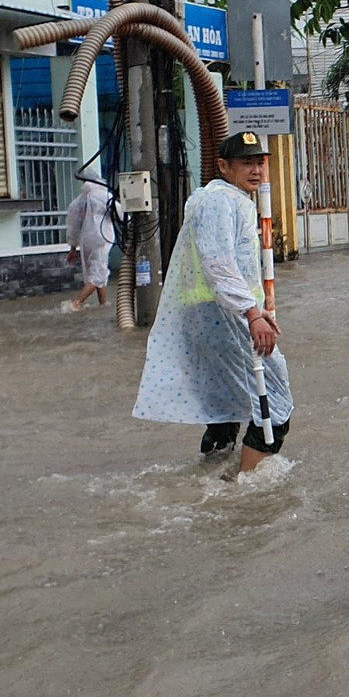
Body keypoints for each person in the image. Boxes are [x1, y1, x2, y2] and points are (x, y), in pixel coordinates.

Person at [133, 132, 292, 478]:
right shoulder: (219, 201)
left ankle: (209, 482)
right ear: (223, 165)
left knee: (225, 408)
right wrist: (252, 314)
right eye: (245, 163)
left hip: (213, 315)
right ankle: (242, 489)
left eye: (259, 162)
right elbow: (218, 263)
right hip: (223, 316)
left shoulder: (227, 200)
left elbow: (235, 266)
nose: (255, 170)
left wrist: (257, 307)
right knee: (275, 406)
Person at [64, 178, 117, 311]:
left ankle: (103, 305)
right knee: (97, 275)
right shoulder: (104, 196)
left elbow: (73, 227)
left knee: (99, 271)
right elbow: (119, 212)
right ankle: (76, 304)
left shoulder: (77, 202)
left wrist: (73, 248)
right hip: (101, 238)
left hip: (85, 242)